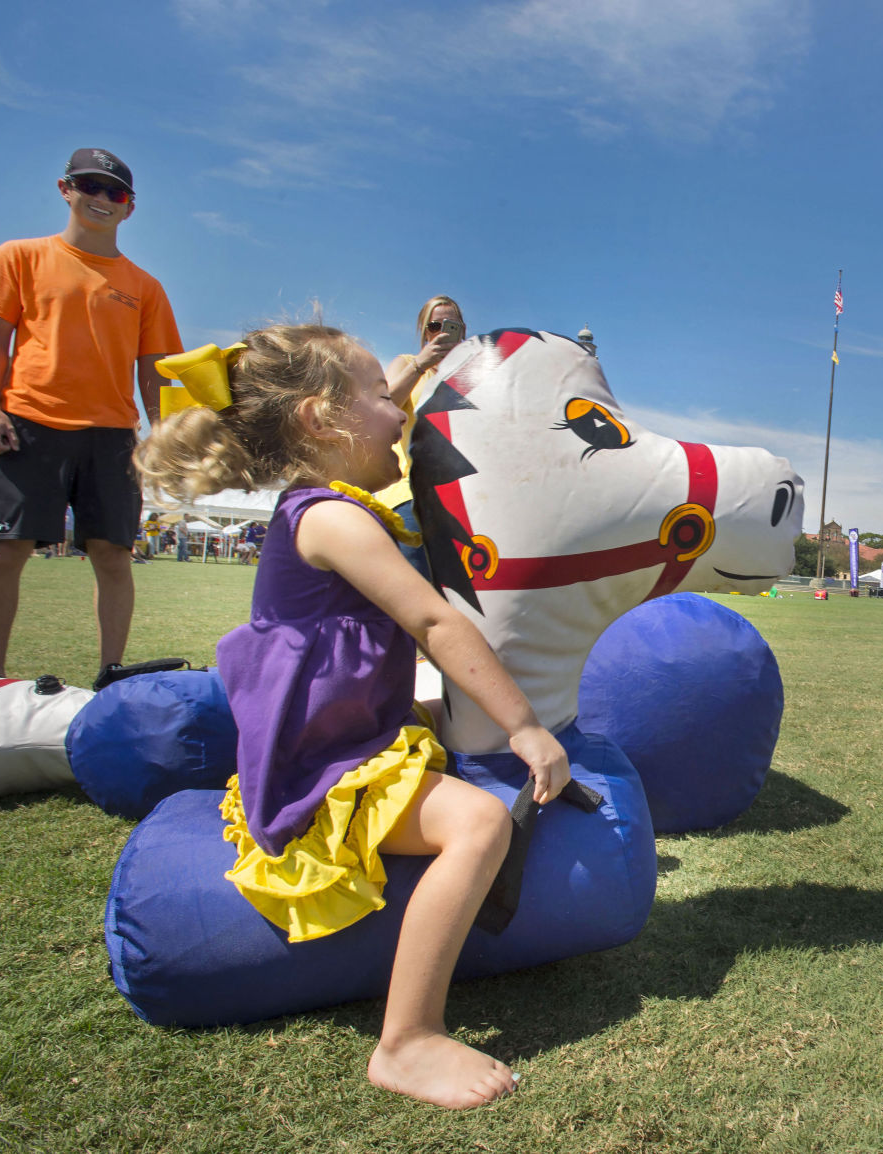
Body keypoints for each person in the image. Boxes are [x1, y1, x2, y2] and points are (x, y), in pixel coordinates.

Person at [136, 324, 571, 1108]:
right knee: (480, 825)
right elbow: (436, 625)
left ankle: (411, 1033)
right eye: (379, 397)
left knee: (440, 723)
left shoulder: (325, 502)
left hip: (347, 728)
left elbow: (380, 398)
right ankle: (407, 1040)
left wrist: (420, 363)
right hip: (324, 763)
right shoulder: (335, 521)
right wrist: (523, 725)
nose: (397, 411)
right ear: (322, 421)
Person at [0, 148, 183, 685]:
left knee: (113, 556)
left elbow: (153, 371)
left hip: (111, 435)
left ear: (130, 208)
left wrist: (162, 437)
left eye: (116, 193)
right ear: (65, 188)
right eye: (91, 186)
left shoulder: (145, 287)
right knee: (4, 551)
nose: (103, 199)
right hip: (27, 423)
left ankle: (110, 673)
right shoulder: (18, 256)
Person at [376, 296, 467, 577]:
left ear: (462, 330)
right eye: (434, 325)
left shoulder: (470, 376)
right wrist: (420, 364)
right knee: (416, 590)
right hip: (409, 493)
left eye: (450, 325)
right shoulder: (407, 364)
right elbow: (381, 407)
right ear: (423, 330)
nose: (441, 332)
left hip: (462, 500)